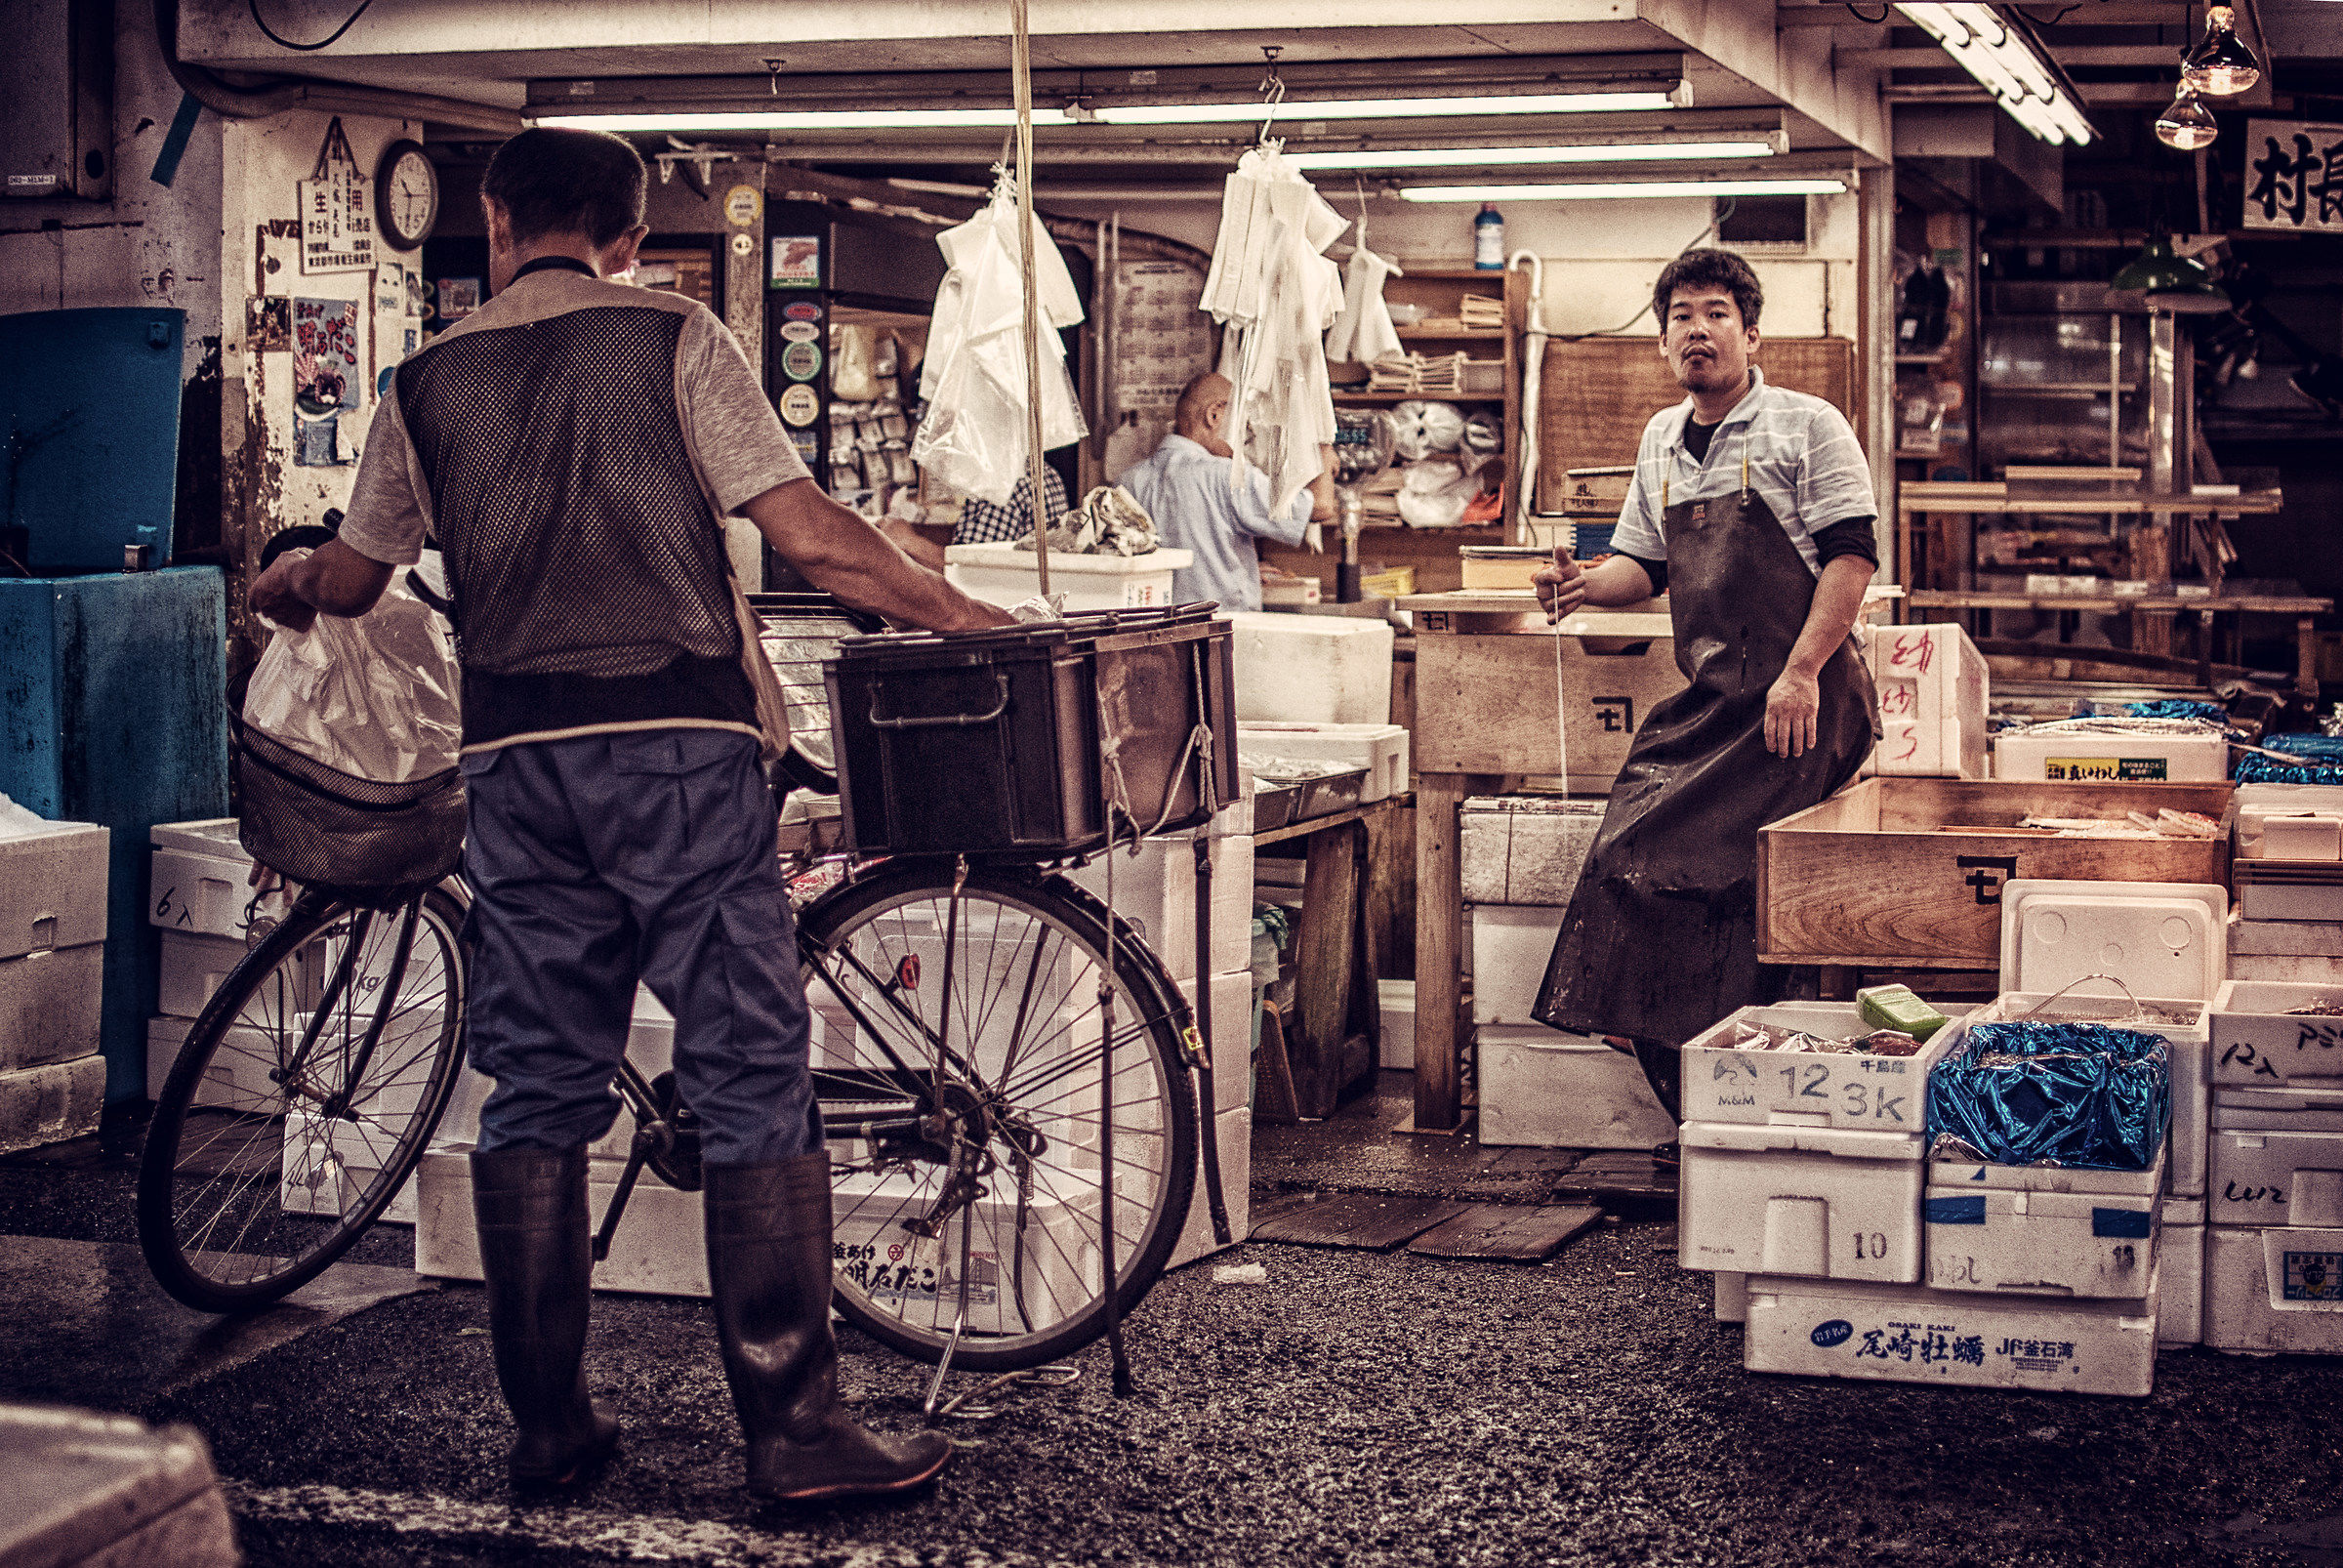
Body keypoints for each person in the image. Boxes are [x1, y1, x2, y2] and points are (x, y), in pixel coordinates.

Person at [246, 127, 1012, 1503]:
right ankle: (793, 1428)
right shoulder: (677, 339)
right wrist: (965, 614)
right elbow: (816, 536)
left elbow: (356, 579)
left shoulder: (424, 380)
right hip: (678, 745)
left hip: (518, 765)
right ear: (626, 230)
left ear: (492, 217)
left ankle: (552, 1427)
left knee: (536, 1076)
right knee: (746, 1060)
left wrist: (293, 575)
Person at [1530, 248, 1880, 1118]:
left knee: (1727, 881)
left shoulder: (1809, 425)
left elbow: (1852, 556)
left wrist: (1801, 673)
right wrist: (1580, 585)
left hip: (1803, 706)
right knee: (1630, 850)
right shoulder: (1659, 438)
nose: (1699, 328)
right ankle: (1679, 1064)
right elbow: (1641, 568)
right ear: (1663, 341)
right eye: (1682, 314)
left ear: (1751, 334)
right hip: (1717, 701)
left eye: (1717, 312)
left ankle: (1737, 1087)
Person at [1117, 372, 1335, 611]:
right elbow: (1320, 507)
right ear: (1214, 415)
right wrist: (1324, 446)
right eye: (1243, 425)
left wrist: (1242, 569)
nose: (1243, 440)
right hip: (1220, 633)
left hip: (1156, 634)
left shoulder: (1126, 482)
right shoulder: (1227, 475)